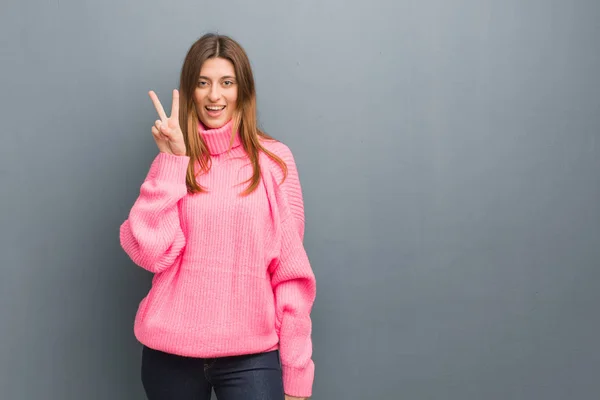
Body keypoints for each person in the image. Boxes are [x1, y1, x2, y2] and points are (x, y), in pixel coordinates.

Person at [119, 33, 316, 400]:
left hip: (251, 355)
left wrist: (296, 371)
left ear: (243, 90)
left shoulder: (274, 162)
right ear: (190, 90)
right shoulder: (174, 162)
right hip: (170, 354)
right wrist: (172, 161)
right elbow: (149, 253)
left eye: (227, 83)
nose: (214, 96)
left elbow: (291, 275)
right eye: (203, 83)